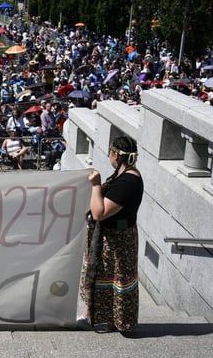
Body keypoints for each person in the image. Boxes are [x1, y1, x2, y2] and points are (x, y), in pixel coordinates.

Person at [79, 136, 144, 334]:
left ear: (115, 154)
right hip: (111, 237)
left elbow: (100, 213)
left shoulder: (128, 182)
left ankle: (121, 321)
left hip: (118, 240)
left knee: (117, 280)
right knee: (103, 277)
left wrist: (96, 185)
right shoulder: (123, 175)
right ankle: (94, 316)